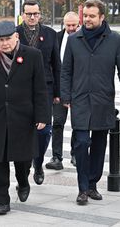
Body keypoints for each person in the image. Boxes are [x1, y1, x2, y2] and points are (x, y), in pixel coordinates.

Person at [0, 21, 49, 215]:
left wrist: (42, 115)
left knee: (23, 159)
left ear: (16, 37)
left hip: (24, 116)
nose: (5, 43)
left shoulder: (33, 56)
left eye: (8, 39)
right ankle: (2, 201)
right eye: (0, 40)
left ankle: (23, 182)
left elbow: (41, 89)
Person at [61, 0, 120, 205]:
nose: (86, 19)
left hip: (103, 100)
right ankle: (82, 187)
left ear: (102, 17)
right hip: (79, 100)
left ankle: (93, 184)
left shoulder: (114, 39)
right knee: (81, 142)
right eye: (85, 15)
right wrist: (66, 96)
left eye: (91, 16)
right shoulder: (74, 39)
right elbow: (66, 70)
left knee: (99, 144)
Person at [16, 0, 61, 185]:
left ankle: (38, 162)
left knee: (44, 131)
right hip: (21, 90)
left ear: (40, 14)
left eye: (35, 13)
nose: (32, 17)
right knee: (24, 131)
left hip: (45, 89)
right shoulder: (15, 34)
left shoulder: (50, 34)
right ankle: (23, 171)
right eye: (29, 14)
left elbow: (56, 65)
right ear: (23, 15)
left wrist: (58, 92)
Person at [45, 11, 80, 170]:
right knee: (57, 123)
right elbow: (52, 64)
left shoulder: (83, 39)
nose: (71, 28)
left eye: (74, 25)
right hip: (59, 89)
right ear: (64, 24)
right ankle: (57, 157)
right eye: (69, 25)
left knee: (78, 124)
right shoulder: (56, 38)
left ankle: (75, 154)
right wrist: (55, 92)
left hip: (79, 89)